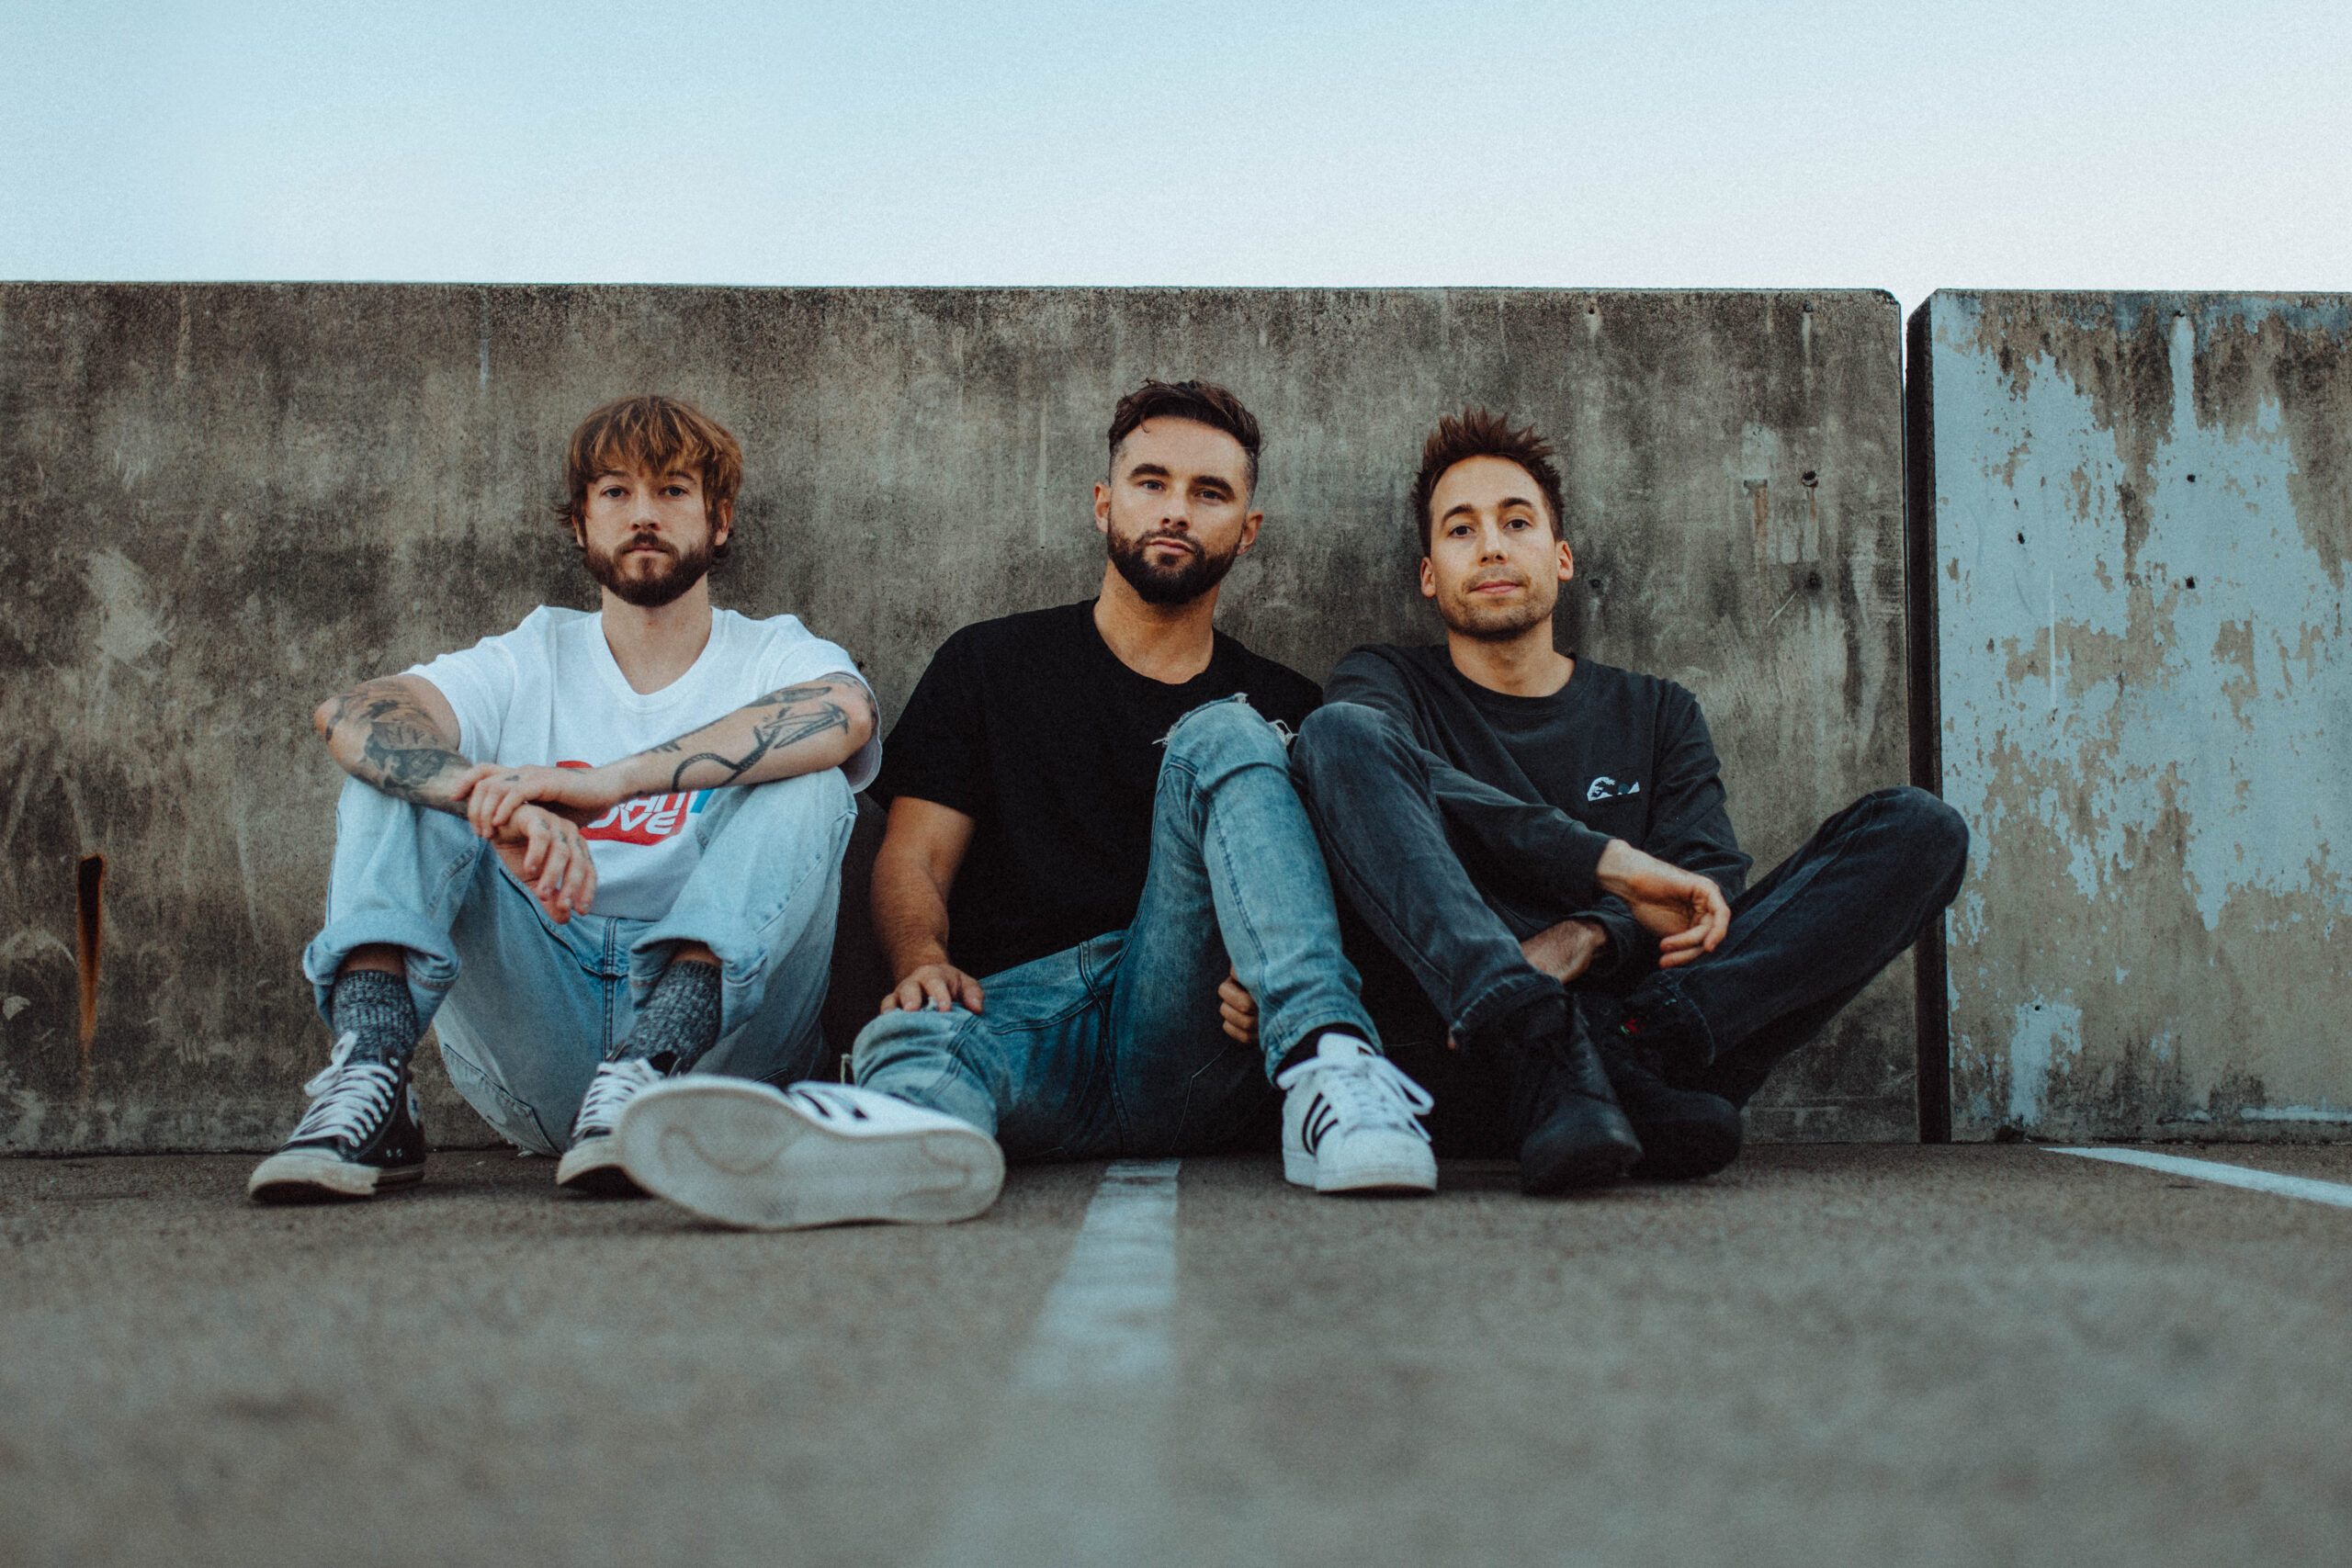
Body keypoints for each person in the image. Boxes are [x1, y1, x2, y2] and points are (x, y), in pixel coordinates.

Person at [610, 378, 1449, 1230]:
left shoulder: (1284, 702)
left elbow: (1317, 889)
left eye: (1209, 493)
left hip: (1192, 1029)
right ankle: (885, 1144)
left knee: (1227, 732)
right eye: (1151, 482)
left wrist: (1256, 972)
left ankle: (1325, 1057)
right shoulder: (989, 664)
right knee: (912, 1039)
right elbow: (914, 857)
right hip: (1020, 1019)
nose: (1175, 510)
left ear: (1248, 527)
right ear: (1103, 502)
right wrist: (922, 960)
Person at [1283, 409, 1969, 1182]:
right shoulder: (1384, 683)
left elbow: (1700, 886)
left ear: (1562, 557)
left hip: (1665, 1024)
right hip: (1471, 1040)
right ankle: (1555, 1049)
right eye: (1462, 529)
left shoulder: (1656, 711)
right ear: (1429, 573)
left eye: (1517, 521)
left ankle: (1626, 1060)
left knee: (1921, 829)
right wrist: (1607, 865)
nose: (1493, 546)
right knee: (1336, 733)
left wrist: (1590, 934)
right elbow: (1363, 775)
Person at [247, 395, 877, 1203]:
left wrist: (612, 781)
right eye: (616, 491)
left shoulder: (774, 652)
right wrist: (489, 800)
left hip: (722, 1059)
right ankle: (372, 1072)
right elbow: (351, 713)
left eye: (672, 490)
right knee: (397, 764)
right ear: (580, 525)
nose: (643, 514)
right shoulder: (530, 656)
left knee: (810, 775)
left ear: (719, 520)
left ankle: (652, 1062)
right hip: (538, 1033)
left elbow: (844, 713)